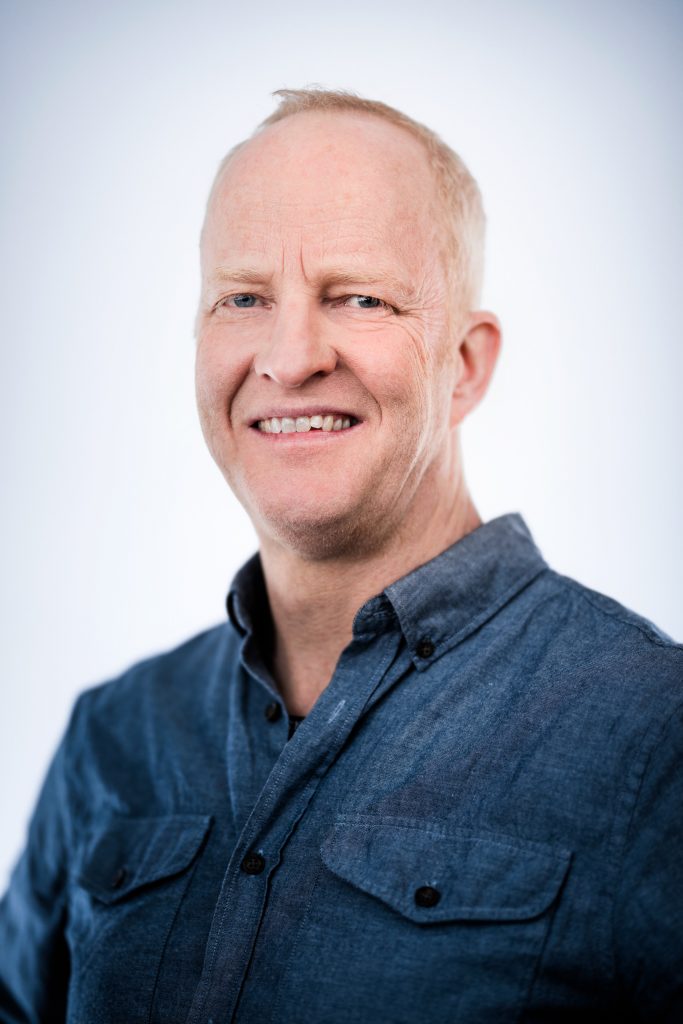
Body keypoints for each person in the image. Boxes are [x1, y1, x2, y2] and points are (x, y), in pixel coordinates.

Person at [1, 88, 681, 1024]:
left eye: (358, 297)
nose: (289, 359)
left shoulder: (652, 738)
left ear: (465, 364)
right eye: (243, 298)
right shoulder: (114, 737)